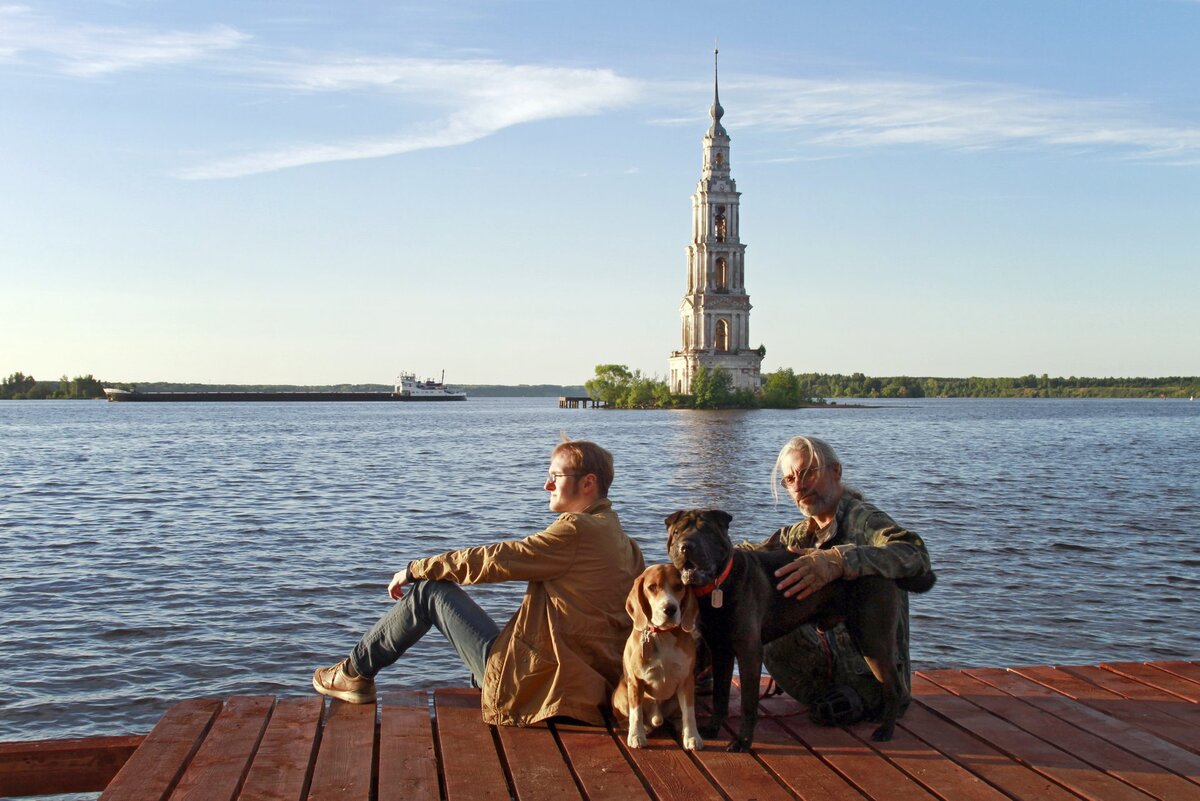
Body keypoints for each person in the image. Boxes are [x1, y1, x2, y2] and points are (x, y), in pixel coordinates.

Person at [312, 439, 645, 727]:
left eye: (555, 477)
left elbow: (497, 559)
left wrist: (416, 568)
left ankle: (353, 674)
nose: (547, 485)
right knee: (507, 637)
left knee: (430, 591)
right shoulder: (625, 542)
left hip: (547, 687)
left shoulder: (575, 529)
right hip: (588, 688)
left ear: (588, 484)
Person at [751, 435, 932, 725]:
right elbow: (749, 554)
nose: (799, 485)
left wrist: (839, 561)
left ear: (836, 472)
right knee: (740, 598)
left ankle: (878, 700)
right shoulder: (799, 534)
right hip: (822, 682)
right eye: (790, 479)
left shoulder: (864, 520)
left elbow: (916, 557)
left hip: (872, 681)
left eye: (809, 472)